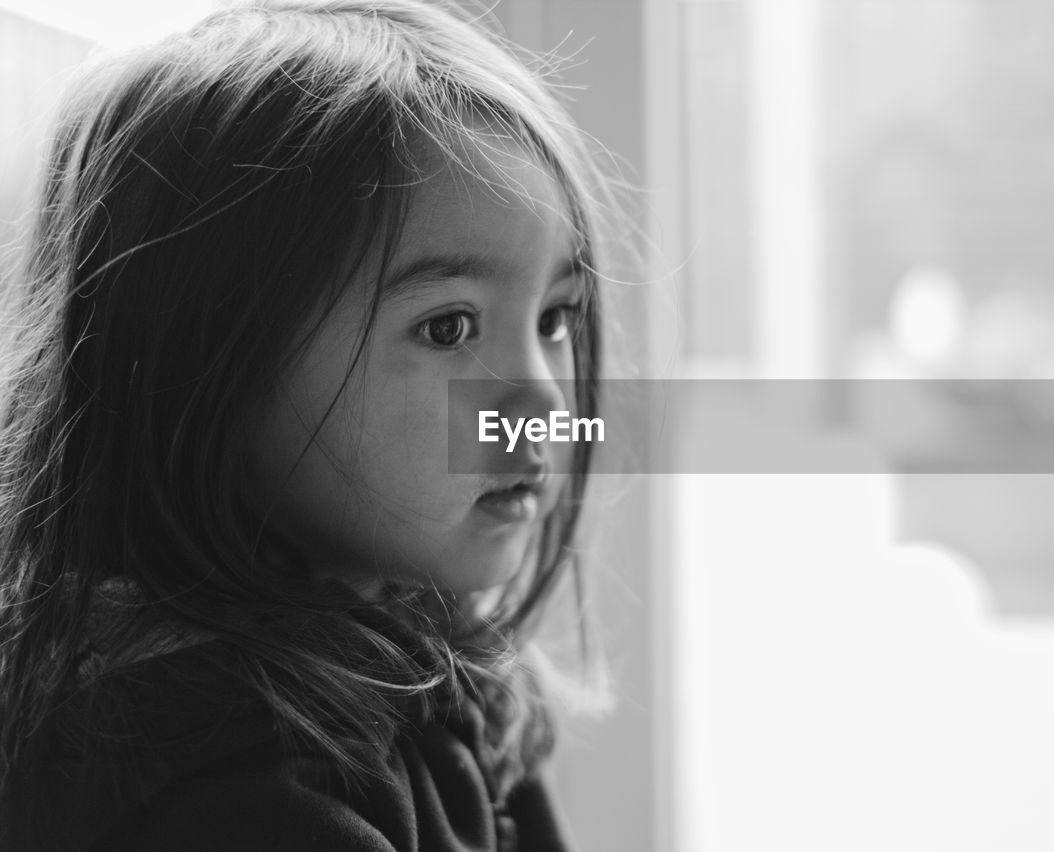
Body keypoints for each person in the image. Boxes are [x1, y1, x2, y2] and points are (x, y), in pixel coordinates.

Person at [0, 1, 623, 848]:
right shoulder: (222, 793)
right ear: (206, 376)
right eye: (448, 327)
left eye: (554, 318)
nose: (548, 403)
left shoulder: (431, 655)